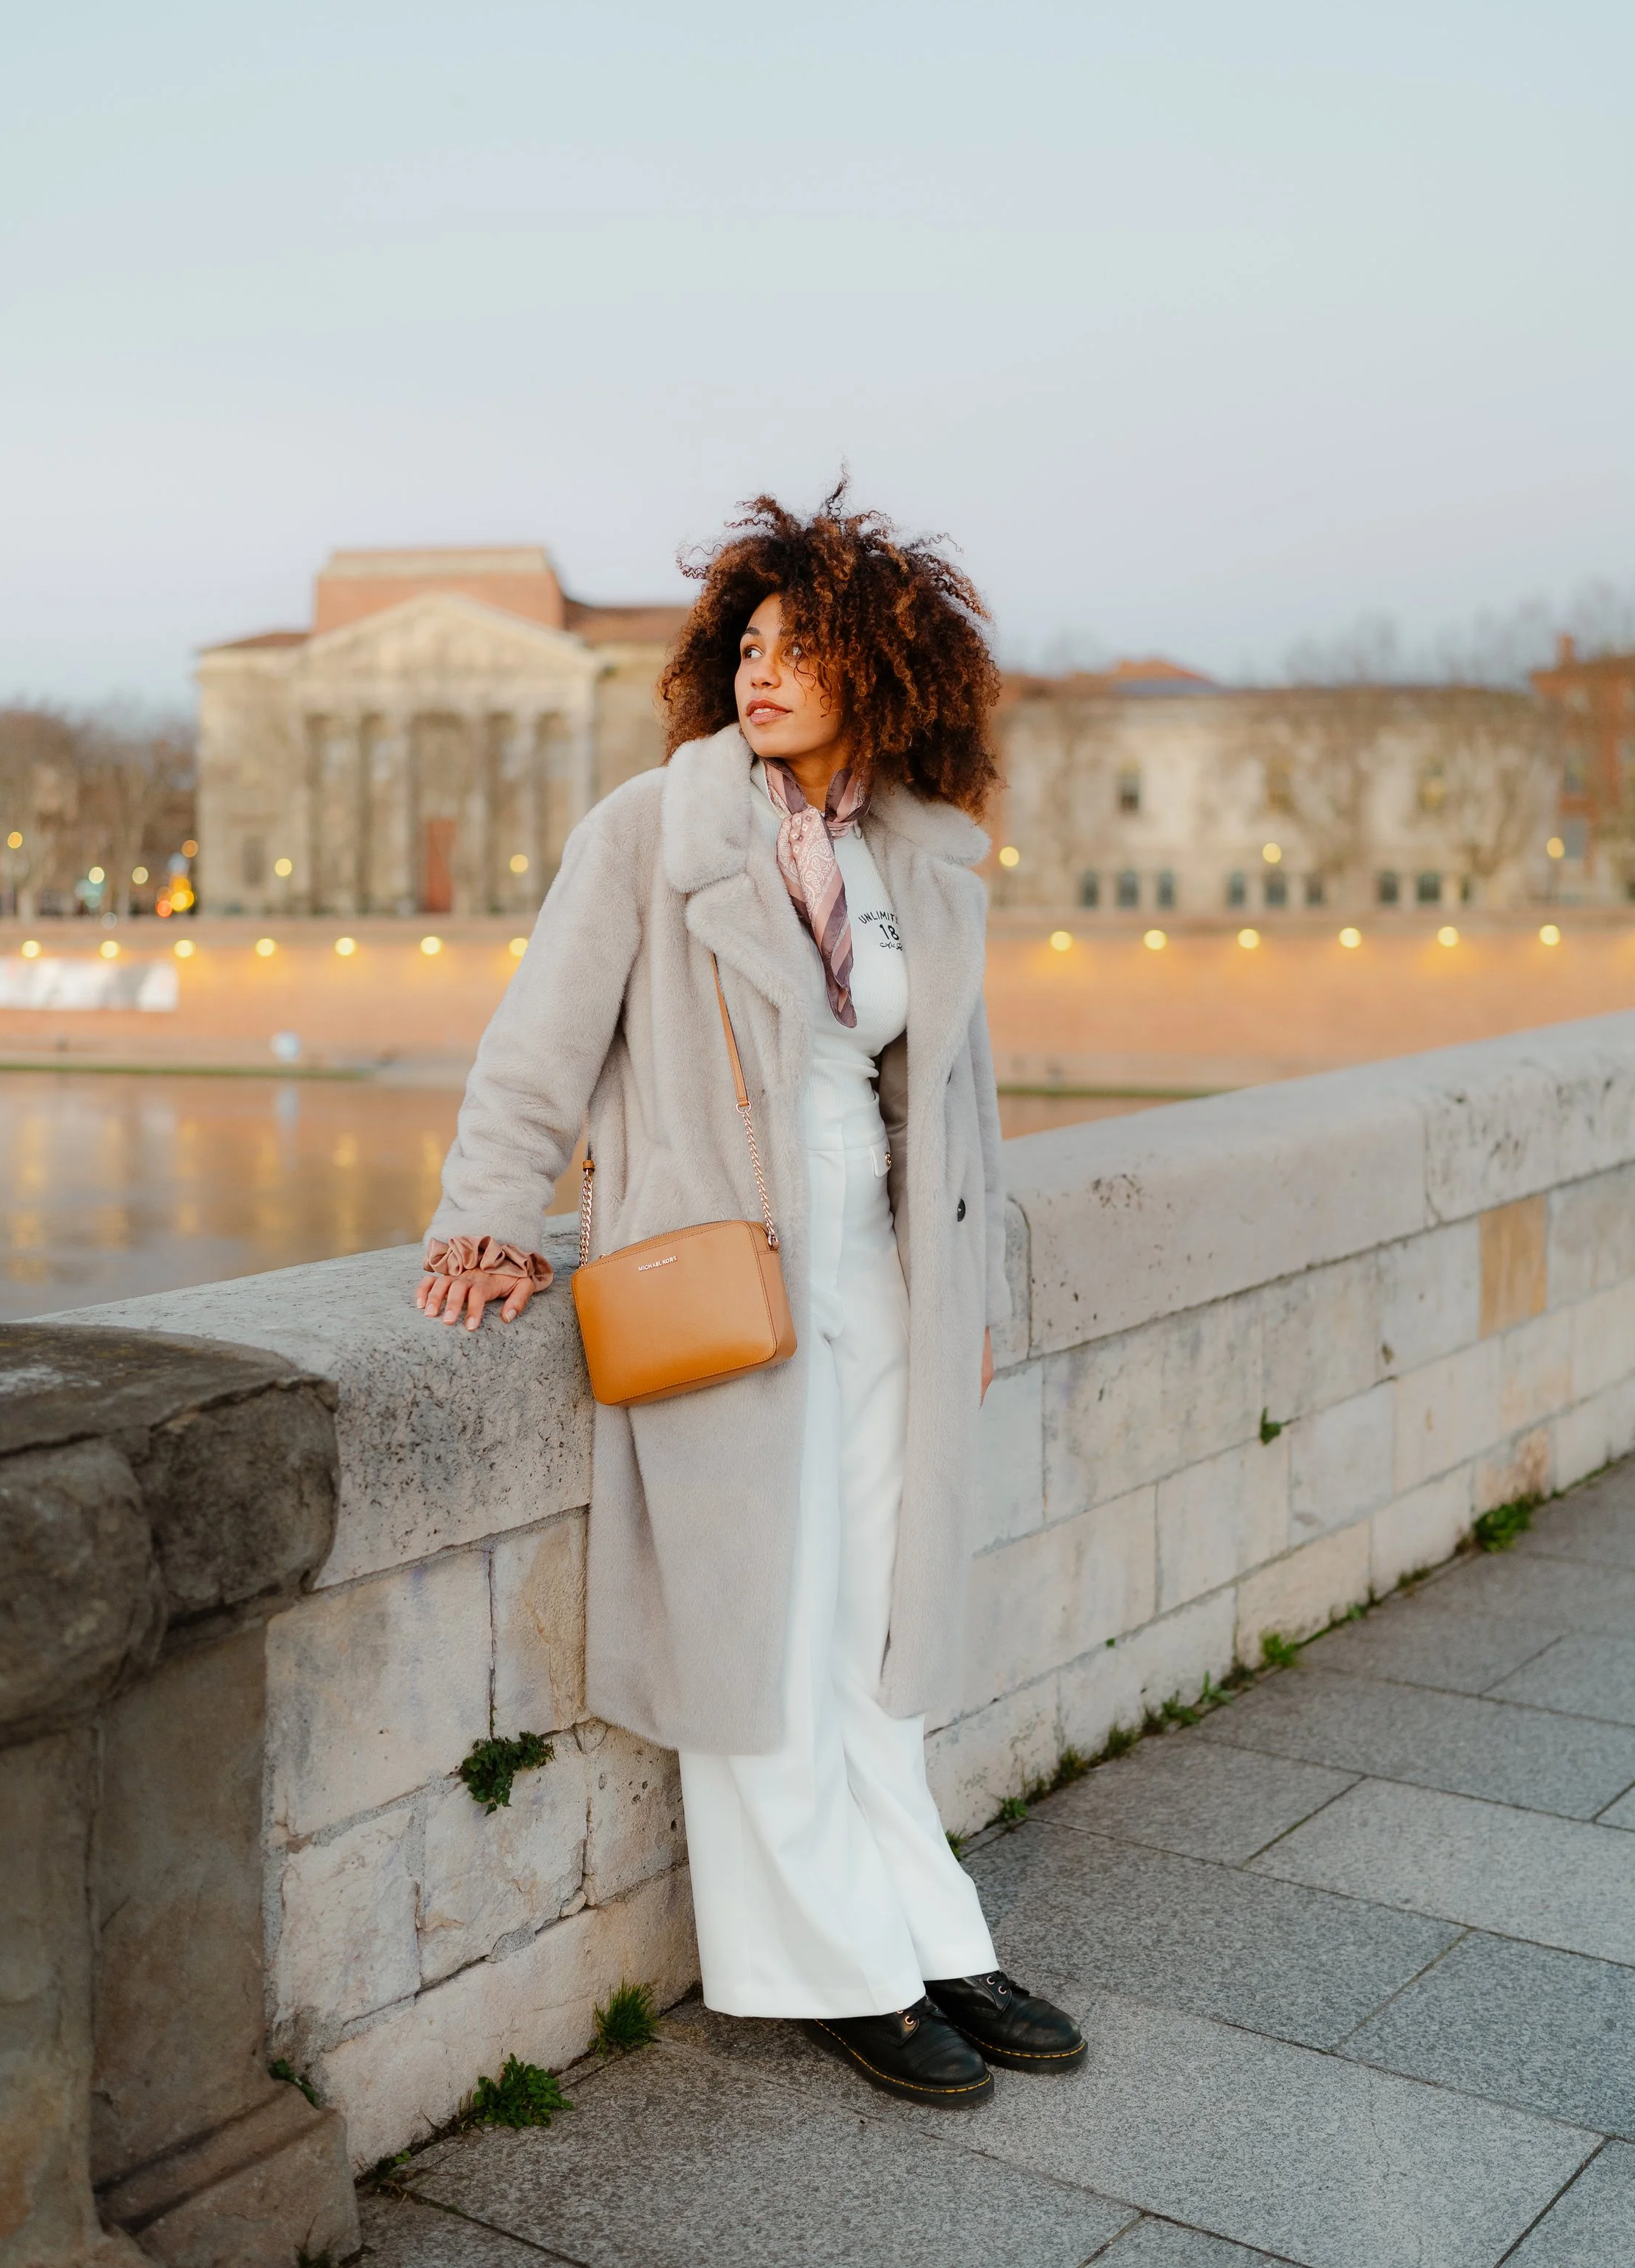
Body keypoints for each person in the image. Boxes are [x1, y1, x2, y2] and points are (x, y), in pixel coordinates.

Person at [416, 484, 1084, 2107]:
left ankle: (925, 1922)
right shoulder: (655, 831)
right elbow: (539, 1045)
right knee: (760, 1626)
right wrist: (489, 1214)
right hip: (721, 1270)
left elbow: (959, 1106)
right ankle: (828, 1962)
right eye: (751, 643)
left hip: (880, 1273)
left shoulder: (911, 859)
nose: (764, 673)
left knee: (868, 1625)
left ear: (885, 670)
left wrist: (970, 1291)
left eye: (805, 645)